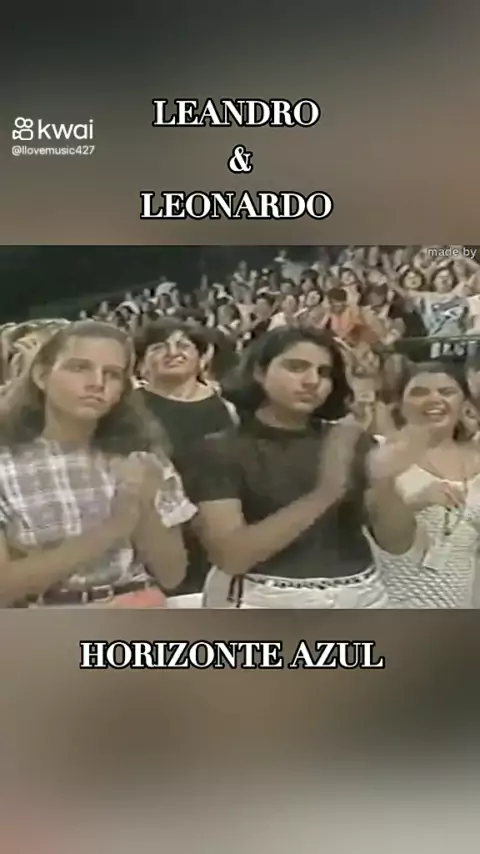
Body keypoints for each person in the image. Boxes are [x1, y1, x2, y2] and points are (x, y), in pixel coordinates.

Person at [176, 328, 422, 609]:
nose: (312, 381)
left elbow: (398, 543)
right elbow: (232, 556)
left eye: (324, 372)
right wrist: (324, 494)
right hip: (261, 602)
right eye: (296, 367)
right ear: (259, 372)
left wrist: (383, 483)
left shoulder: (352, 441)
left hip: (363, 597)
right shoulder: (219, 450)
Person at [0, 321, 195, 608]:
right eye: (79, 368)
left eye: (112, 374)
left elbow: (172, 575)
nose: (97, 383)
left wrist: (145, 506)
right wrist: (110, 530)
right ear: (41, 376)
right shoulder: (7, 464)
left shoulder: (142, 457)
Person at [136, 320, 238, 597]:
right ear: (142, 362)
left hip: (218, 538)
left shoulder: (229, 408)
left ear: (202, 357)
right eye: (159, 347)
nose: (173, 352)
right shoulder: (128, 409)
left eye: (183, 345)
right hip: (158, 538)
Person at [377, 361, 480, 607]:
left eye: (447, 392)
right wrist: (414, 503)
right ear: (400, 404)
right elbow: (354, 524)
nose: (434, 399)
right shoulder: (379, 452)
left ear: (464, 403)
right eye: (419, 392)